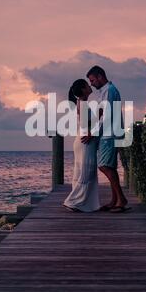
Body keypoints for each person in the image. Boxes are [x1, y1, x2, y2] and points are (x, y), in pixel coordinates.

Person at [83, 65, 130, 213]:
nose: (91, 84)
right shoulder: (105, 91)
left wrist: (93, 133)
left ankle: (121, 199)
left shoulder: (109, 91)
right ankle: (114, 200)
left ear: (100, 76)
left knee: (104, 166)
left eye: (92, 80)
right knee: (110, 166)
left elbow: (106, 116)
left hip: (110, 134)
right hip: (109, 133)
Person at [63, 79, 100, 212]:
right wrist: (100, 116)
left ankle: (82, 203)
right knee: (87, 172)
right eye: (87, 85)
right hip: (85, 141)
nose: (90, 86)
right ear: (83, 89)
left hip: (81, 140)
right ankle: (72, 201)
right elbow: (86, 124)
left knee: (80, 172)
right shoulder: (83, 103)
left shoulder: (81, 102)